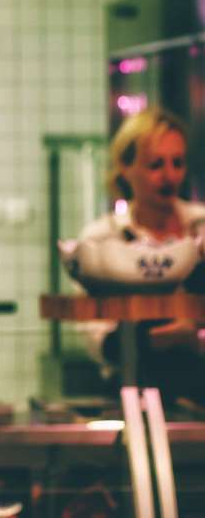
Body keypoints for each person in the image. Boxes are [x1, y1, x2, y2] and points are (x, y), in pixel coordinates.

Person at [79, 107, 205, 401]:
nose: (169, 175)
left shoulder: (201, 227)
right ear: (125, 166)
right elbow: (96, 338)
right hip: (131, 390)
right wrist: (150, 341)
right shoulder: (102, 239)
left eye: (177, 163)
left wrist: (196, 338)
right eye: (155, 165)